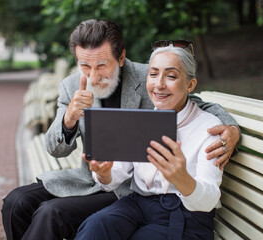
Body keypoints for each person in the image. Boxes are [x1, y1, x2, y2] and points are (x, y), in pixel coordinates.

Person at [1, 20, 240, 240]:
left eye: (102, 65)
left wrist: (231, 129)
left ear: (121, 57)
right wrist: (69, 117)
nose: (93, 76)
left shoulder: (150, 76)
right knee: (16, 203)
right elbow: (55, 148)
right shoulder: (72, 86)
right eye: (84, 65)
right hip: (94, 177)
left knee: (50, 213)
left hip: (128, 191)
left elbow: (192, 102)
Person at [75, 41, 222, 240]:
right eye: (153, 74)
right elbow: (115, 175)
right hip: (137, 204)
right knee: (95, 227)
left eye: (171, 76)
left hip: (185, 213)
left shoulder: (209, 128)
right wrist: (104, 173)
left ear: (190, 84)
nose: (159, 84)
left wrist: (182, 179)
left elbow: (209, 199)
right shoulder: (141, 121)